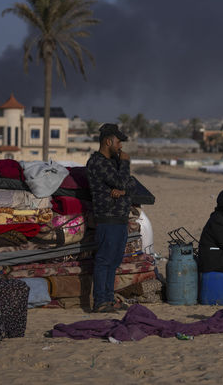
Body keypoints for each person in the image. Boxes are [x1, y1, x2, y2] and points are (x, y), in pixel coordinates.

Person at [86, 123, 136, 313]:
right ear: (108, 141)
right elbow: (122, 180)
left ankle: (108, 298)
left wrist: (123, 190)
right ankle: (100, 301)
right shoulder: (97, 162)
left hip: (119, 219)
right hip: (107, 218)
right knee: (104, 260)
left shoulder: (113, 164)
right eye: (118, 142)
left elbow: (131, 184)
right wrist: (125, 164)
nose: (120, 146)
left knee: (114, 261)